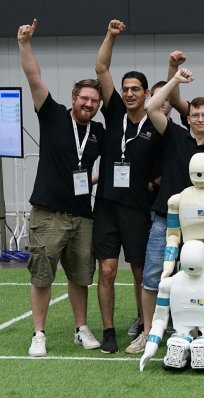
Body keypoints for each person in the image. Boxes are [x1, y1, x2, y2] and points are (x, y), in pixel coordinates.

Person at [19, 19, 104, 357]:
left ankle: (81, 328)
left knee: (81, 276)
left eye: (95, 101)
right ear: (73, 98)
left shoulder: (97, 132)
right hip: (49, 214)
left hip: (83, 216)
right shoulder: (52, 114)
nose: (90, 104)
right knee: (42, 275)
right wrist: (24, 43)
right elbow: (33, 76)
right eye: (85, 99)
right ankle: (38, 333)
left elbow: (92, 172)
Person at [132, 68, 204, 354]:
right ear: (188, 118)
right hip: (166, 219)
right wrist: (175, 81)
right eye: (195, 115)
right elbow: (149, 106)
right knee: (153, 276)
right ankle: (148, 333)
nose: (200, 119)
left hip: (201, 226)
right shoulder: (173, 135)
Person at [93, 19, 162, 354]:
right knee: (106, 269)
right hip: (106, 203)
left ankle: (141, 322)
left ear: (146, 93)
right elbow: (101, 66)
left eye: (136, 89)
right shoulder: (115, 111)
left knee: (138, 270)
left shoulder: (155, 126)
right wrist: (112, 35)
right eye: (126, 88)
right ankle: (108, 331)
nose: (130, 93)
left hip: (137, 207)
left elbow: (163, 169)